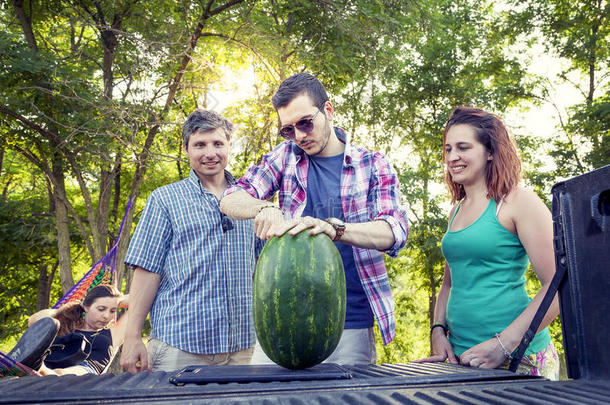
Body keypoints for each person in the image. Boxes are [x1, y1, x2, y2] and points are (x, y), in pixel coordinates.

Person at [219, 72, 409, 365]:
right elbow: (231, 198)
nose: (299, 136)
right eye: (288, 130)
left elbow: (393, 232)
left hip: (349, 325)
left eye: (306, 123)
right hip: (280, 326)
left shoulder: (373, 164)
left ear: (328, 111)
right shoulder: (285, 157)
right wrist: (263, 208)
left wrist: (335, 228)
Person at [413, 106, 560, 379]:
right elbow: (449, 283)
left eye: (463, 147)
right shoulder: (455, 211)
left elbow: (558, 286)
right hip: (463, 360)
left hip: (520, 359)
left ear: (490, 151)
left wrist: (503, 345)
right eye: (447, 149)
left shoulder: (518, 202)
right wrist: (438, 331)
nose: (452, 157)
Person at [121, 109, 263, 373]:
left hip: (244, 347)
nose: (210, 153)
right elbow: (146, 270)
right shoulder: (165, 199)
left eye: (218, 143)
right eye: (200, 145)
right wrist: (132, 336)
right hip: (180, 347)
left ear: (229, 145)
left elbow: (263, 268)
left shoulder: (251, 200)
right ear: (186, 149)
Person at [27, 284, 128, 375]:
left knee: (64, 373)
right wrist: (65, 311)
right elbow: (33, 320)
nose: (106, 316)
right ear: (86, 307)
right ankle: (39, 369)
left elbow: (140, 300)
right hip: (51, 363)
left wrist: (117, 300)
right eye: (101, 309)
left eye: (112, 311)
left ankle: (44, 371)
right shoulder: (67, 325)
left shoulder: (114, 334)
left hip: (86, 371)